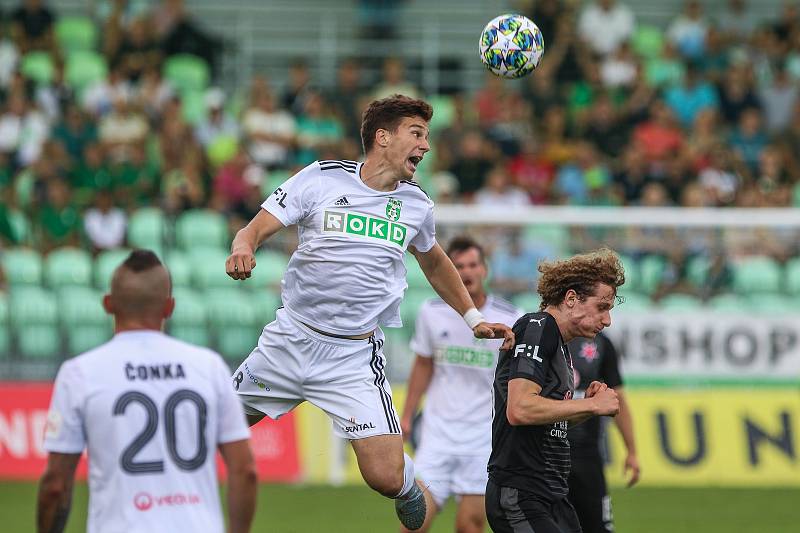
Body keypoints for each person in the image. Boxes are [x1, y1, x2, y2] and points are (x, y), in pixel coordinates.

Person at [225, 94, 514, 531]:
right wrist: (243, 246)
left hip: (353, 358)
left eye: (427, 136)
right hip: (290, 341)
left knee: (385, 477)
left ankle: (408, 482)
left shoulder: (416, 204)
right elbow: (257, 226)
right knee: (217, 421)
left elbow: (434, 260)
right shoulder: (321, 178)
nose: (426, 146)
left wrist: (472, 319)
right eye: (417, 134)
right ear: (383, 137)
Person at [37, 250, 257, 533]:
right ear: (169, 307)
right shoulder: (209, 367)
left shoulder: (80, 373)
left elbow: (56, 484)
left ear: (108, 304)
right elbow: (245, 471)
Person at [486, 248, 625, 533]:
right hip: (521, 493)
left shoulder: (559, 345)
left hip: (551, 494)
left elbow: (550, 417)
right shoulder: (537, 327)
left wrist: (584, 405)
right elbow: (520, 408)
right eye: (602, 307)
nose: (608, 320)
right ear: (572, 299)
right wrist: (592, 407)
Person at [399, 236, 522, 533]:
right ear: (450, 272)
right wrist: (406, 416)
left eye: (472, 265)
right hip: (437, 436)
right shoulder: (432, 312)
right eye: (458, 266)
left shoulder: (510, 318)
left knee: (470, 526)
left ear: (485, 270)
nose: (466, 272)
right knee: (413, 524)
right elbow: (423, 365)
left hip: (483, 438)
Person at [566, 332, 640, 533]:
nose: (605, 319)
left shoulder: (601, 342)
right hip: (545, 455)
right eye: (601, 307)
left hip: (587, 456)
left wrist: (631, 451)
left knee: (598, 527)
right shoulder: (542, 337)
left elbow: (618, 400)